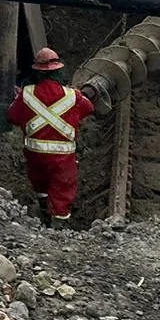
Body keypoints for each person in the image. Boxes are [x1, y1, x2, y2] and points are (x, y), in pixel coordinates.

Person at [7, 45, 94, 226]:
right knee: (62, 190)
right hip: (63, 159)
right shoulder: (73, 96)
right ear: (58, 71)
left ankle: (43, 215)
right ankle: (58, 229)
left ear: (37, 72)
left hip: (35, 156)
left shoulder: (26, 95)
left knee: (41, 186)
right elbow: (89, 108)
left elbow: (12, 117)